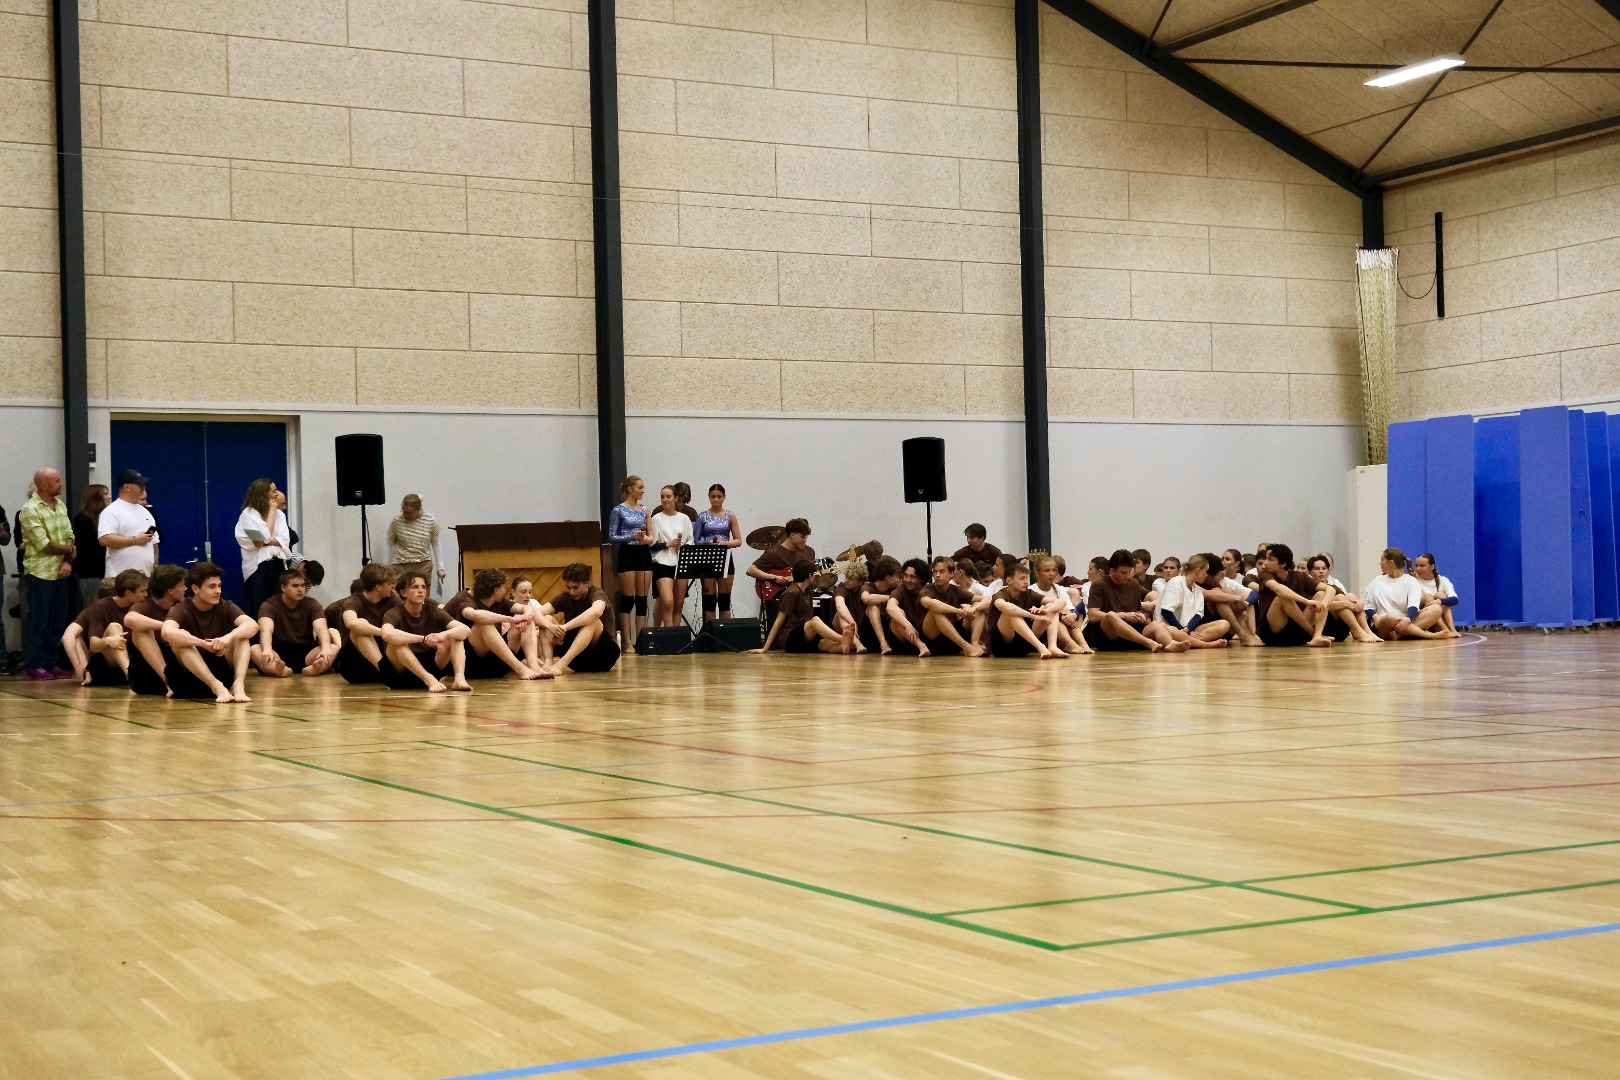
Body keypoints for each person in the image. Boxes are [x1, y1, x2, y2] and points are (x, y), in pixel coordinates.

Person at [162, 561, 256, 703]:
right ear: (195, 588)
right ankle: (215, 686)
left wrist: (228, 638)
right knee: (181, 639)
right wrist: (202, 643)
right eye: (212, 587)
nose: (218, 591)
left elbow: (252, 625)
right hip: (186, 679)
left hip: (222, 674)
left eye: (219, 586)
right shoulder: (181, 608)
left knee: (242, 636)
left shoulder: (226, 606)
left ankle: (238, 685)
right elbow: (167, 632)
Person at [18, 467, 76, 680]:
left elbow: (69, 534)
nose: (61, 484)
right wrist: (69, 550)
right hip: (40, 572)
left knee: (57, 620)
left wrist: (67, 560)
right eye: (57, 480)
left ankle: (50, 662)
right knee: (39, 620)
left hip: (61, 571)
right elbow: (44, 545)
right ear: (44, 485)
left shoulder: (60, 505)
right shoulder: (30, 509)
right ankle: (34, 663)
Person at [381, 570, 471, 692]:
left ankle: (459, 679)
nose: (421, 591)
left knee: (456, 637)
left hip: (430, 666)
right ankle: (428, 679)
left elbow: (465, 630)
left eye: (423, 587)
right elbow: (387, 634)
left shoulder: (434, 611)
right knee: (395, 642)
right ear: (403, 592)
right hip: (400, 672)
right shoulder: (394, 613)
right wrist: (423, 639)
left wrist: (442, 635)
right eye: (415, 587)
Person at [444, 568, 544, 679]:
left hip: (495, 664)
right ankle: (521, 669)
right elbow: (471, 614)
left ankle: (534, 667)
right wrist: (512, 619)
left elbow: (526, 608)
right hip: (468, 665)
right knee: (484, 624)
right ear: (496, 590)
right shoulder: (465, 600)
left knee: (526, 622)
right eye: (503, 587)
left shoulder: (499, 601)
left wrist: (526, 617)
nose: (505, 591)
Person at [1084, 549, 1188, 653]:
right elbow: (1093, 615)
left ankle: (1170, 644)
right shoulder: (1099, 585)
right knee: (1111, 616)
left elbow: (1136, 609)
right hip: (1108, 636)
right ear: (1112, 571)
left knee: (1158, 625)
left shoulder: (1134, 584)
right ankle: (1148, 643)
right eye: (1123, 573)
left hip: (1132, 631)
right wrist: (1123, 615)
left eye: (1129, 572)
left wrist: (1140, 615)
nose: (1127, 576)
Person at [62, 569, 147, 685]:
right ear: (127, 593)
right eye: (142, 591)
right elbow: (70, 636)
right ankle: (130, 676)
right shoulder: (97, 608)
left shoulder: (140, 606)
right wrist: (80, 667)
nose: (146, 595)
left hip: (131, 656)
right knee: (113, 627)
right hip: (105, 661)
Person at [535, 562, 621, 675]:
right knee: (546, 619)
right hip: (577, 659)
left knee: (593, 621)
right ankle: (548, 661)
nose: (572, 592)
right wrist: (550, 627)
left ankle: (561, 664)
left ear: (586, 583)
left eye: (575, 587)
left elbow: (596, 612)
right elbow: (537, 613)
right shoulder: (565, 597)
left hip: (603, 656)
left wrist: (565, 627)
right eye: (568, 587)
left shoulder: (596, 593)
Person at [254, 566, 338, 677]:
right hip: (278, 653)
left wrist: (326, 648)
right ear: (283, 587)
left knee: (333, 648)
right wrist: (267, 649)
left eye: (303, 585)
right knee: (254, 649)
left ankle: (313, 669)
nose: (300, 589)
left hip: (306, 653)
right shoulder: (269, 605)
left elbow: (321, 628)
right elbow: (266, 630)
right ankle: (279, 670)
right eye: (295, 586)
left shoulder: (312, 604)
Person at [753, 562, 852, 654]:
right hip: (789, 637)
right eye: (814, 573)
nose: (816, 575)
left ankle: (844, 647)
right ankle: (842, 638)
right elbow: (778, 621)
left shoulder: (808, 590)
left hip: (804, 634)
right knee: (815, 621)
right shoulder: (792, 593)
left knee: (825, 643)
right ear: (809, 575)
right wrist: (765, 648)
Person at [325, 562, 398, 684]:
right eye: (390, 584)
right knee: (360, 627)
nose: (393, 587)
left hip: (383, 656)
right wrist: (384, 632)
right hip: (355, 666)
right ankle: (386, 672)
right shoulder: (353, 601)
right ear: (378, 587)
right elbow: (352, 623)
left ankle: (390, 672)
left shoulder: (392, 599)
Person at [1253, 543, 1333, 648]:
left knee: (1321, 594)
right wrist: (1306, 601)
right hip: (1273, 633)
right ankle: (1313, 634)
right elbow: (1278, 588)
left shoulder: (1299, 576)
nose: (1265, 563)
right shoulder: (1264, 574)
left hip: (1297, 630)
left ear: (1283, 563)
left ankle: (1317, 636)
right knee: (1283, 597)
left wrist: (1323, 605)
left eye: (1270, 559)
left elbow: (1330, 589)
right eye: (1266, 558)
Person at [123, 563, 185, 695]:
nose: (185, 588)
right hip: (146, 675)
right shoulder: (145, 605)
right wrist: (167, 626)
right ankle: (168, 683)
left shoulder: (183, 606)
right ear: (170, 590)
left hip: (177, 667)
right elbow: (130, 619)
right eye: (181, 585)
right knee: (141, 631)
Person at [235, 478, 292, 619]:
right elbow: (264, 537)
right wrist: (271, 512)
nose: (277, 494)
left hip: (278, 564)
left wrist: (263, 542)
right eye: (274, 491)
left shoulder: (280, 515)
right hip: (258, 568)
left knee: (278, 607)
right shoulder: (249, 514)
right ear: (263, 493)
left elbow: (284, 540)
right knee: (259, 608)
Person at [606, 476, 652, 653]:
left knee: (642, 599)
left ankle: (640, 639)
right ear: (630, 488)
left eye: (643, 487)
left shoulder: (645, 510)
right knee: (628, 599)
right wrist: (632, 536)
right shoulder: (618, 510)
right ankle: (627, 641)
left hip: (643, 553)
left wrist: (646, 539)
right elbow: (612, 536)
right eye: (640, 487)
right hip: (627, 553)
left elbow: (651, 535)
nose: (643, 490)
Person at [1363, 548, 1447, 641]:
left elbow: (1413, 606)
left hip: (1406, 622)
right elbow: (1368, 606)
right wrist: (1375, 617)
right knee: (1390, 617)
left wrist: (1407, 619)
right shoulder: (1377, 581)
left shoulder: (1411, 581)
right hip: (1385, 624)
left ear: (1391, 563)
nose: (1380, 563)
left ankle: (1399, 635)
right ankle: (1429, 635)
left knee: (1436, 609)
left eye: (1382, 560)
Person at [990, 562, 1068, 659]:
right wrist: (1033, 616)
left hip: (1024, 644)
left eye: (1026, 578)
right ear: (1009, 580)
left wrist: (1046, 611)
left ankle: (1052, 647)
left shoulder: (1029, 593)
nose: (1026, 582)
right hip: (1002, 647)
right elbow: (1005, 606)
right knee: (1010, 613)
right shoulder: (1000, 594)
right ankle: (1041, 647)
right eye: (1022, 578)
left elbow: (1061, 602)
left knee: (1051, 607)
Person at [1153, 555, 1230, 649]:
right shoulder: (1176, 583)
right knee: (1172, 631)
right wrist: (1184, 631)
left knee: (1224, 624)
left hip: (1187, 630)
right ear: (1198, 570)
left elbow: (1198, 615)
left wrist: (1188, 629)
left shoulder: (1197, 590)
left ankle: (1188, 642)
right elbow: (1166, 612)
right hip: (1169, 627)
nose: (1206, 575)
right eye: (1205, 571)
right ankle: (1204, 644)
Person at [919, 557, 987, 657]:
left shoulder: (956, 590)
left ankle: (974, 644)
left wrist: (973, 608)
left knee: (979, 607)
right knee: (935, 611)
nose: (937, 575)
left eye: (942, 571)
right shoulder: (928, 589)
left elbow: (987, 600)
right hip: (932, 641)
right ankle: (968, 648)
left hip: (953, 638)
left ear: (951, 574)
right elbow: (930, 603)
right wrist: (959, 611)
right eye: (935, 572)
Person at [1305, 554, 1380, 644]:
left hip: (1339, 630)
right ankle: (1359, 631)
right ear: (1309, 571)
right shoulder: (1307, 588)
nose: (1321, 571)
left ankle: (1367, 631)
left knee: (1349, 596)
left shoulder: (1333, 586)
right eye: (1317, 569)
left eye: (1324, 568)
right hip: (1320, 628)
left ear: (1328, 570)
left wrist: (1359, 602)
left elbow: (1347, 600)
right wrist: (1346, 604)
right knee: (1337, 599)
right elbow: (1317, 606)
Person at [649, 485, 694, 628]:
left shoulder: (684, 518)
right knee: (667, 601)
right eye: (662, 497)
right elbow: (651, 545)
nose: (665, 499)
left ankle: (676, 634)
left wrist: (683, 547)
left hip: (681, 563)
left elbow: (690, 541)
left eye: (668, 496)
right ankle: (668, 634)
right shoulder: (656, 519)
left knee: (678, 603)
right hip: (662, 563)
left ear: (675, 498)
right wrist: (667, 544)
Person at [695, 484, 741, 623]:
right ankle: (710, 632)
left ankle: (724, 632)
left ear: (724, 497)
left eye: (719, 496)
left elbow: (738, 540)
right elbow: (696, 540)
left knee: (724, 599)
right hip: (708, 557)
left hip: (725, 557)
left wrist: (724, 543)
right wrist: (708, 543)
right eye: (713, 496)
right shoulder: (702, 516)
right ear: (708, 497)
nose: (716, 499)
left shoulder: (730, 515)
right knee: (709, 599)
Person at [1030, 555, 1088, 654]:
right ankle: (1070, 645)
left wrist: (1073, 614)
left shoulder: (1059, 589)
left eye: (1054, 570)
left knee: (1067, 613)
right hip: (1039, 633)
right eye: (1047, 571)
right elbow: (1034, 614)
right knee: (1057, 613)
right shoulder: (1031, 590)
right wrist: (1062, 614)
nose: (1051, 574)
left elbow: (1071, 607)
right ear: (1037, 573)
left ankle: (1083, 644)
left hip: (1058, 632)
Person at [386, 493, 445, 590]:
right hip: (400, 565)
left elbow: (436, 544)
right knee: (399, 594)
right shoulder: (396, 521)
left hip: (423, 565)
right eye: (403, 512)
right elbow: (389, 544)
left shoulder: (431, 520)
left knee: (421, 595)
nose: (406, 515)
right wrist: (386, 567)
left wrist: (440, 568)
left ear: (418, 509)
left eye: (409, 513)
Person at [746, 517, 817, 598]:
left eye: (806, 537)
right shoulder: (774, 553)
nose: (805, 540)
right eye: (802, 537)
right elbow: (751, 570)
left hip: (803, 597)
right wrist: (773, 577)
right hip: (782, 597)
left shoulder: (809, 552)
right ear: (792, 535)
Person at [883, 558, 935, 657]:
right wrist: (908, 625)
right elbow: (890, 607)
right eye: (905, 575)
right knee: (898, 613)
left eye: (912, 576)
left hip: (924, 635)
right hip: (902, 640)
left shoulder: (929, 591)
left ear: (922, 578)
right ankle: (921, 646)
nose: (907, 580)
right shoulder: (900, 591)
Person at [71, 483, 110, 613]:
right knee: (91, 609)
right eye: (105, 494)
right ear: (95, 498)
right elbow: (91, 547)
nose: (109, 497)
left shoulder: (102, 519)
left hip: (101, 571)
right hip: (89, 573)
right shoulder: (84, 520)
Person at [1413, 553, 1463, 638]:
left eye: (1422, 566)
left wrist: (1439, 601)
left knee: (1441, 595)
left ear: (1432, 567)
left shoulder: (1443, 580)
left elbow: (1455, 599)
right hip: (1423, 619)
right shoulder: (1413, 579)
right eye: (1416, 565)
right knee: (1428, 597)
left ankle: (1452, 629)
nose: (1418, 569)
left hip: (1439, 619)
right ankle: (1445, 630)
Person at [830, 561, 871, 654]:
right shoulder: (842, 588)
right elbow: (839, 605)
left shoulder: (864, 589)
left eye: (850, 578)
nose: (846, 580)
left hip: (859, 627)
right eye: (846, 577)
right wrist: (853, 623)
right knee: (840, 614)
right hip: (840, 626)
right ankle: (858, 644)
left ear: (860, 582)